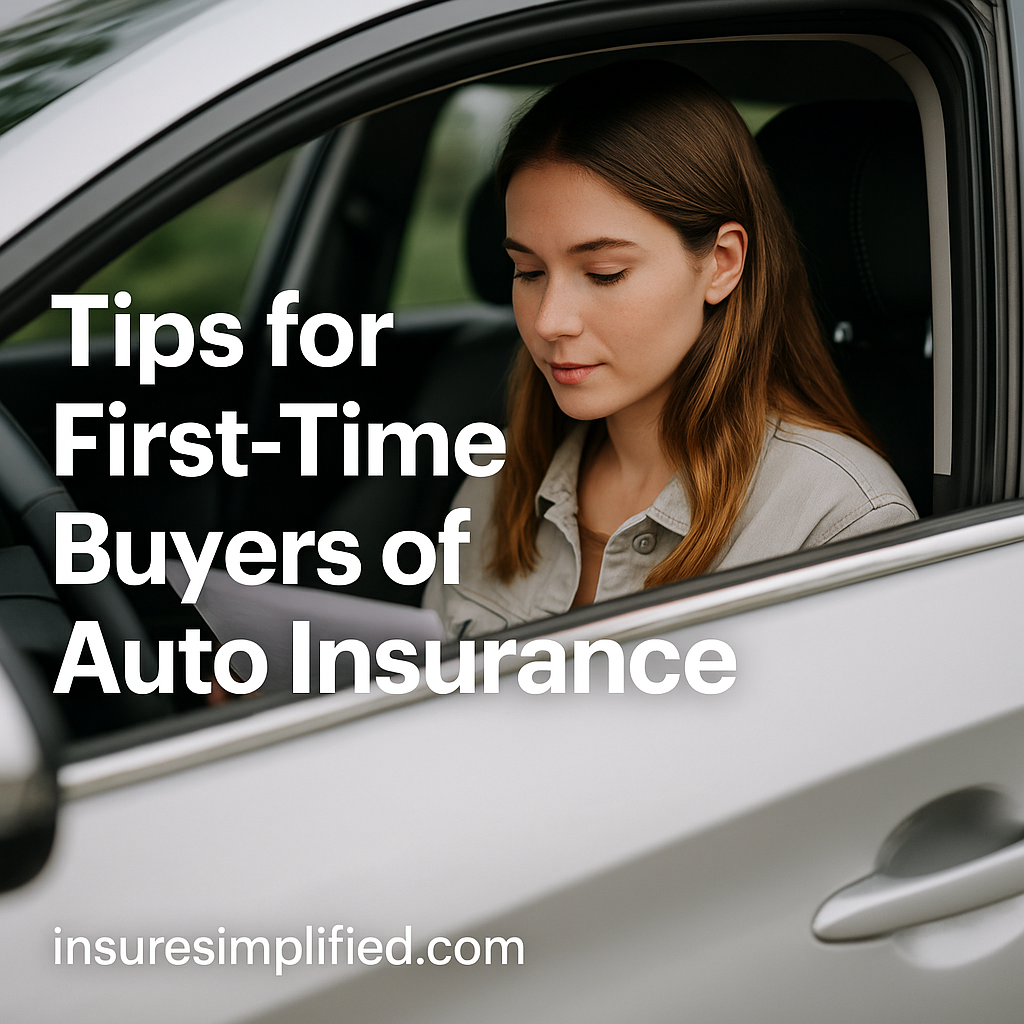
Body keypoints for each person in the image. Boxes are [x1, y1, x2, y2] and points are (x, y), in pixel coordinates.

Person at [423, 60, 917, 640]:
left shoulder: (835, 520)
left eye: (604, 273)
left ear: (722, 264)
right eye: (528, 271)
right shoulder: (500, 479)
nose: (549, 321)